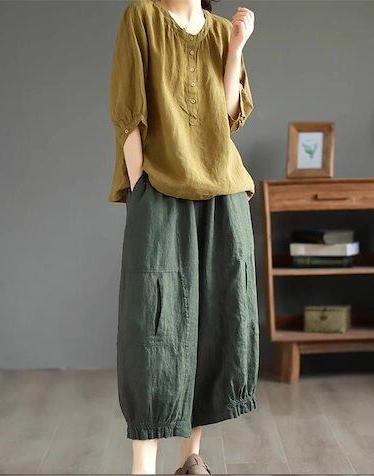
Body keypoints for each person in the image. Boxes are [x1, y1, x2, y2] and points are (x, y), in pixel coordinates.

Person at [108, 0, 260, 473]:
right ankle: (143, 468)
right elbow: (128, 108)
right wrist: (140, 183)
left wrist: (236, 48)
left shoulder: (221, 30)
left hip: (222, 189)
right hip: (159, 188)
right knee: (152, 326)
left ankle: (190, 459)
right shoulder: (142, 16)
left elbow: (228, 114)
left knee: (213, 318)